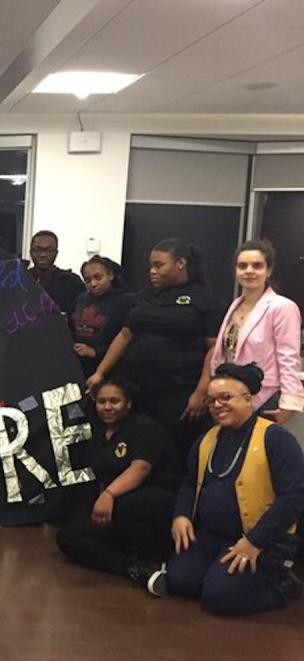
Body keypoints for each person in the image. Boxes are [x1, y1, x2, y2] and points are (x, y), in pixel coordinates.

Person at [163, 363, 304, 614]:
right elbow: (189, 482)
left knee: (219, 598)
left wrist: (254, 541)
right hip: (210, 536)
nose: (217, 405)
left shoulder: (276, 439)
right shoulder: (207, 438)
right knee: (180, 581)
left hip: (259, 540)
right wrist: (181, 515)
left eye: (225, 398)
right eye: (211, 401)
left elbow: (293, 498)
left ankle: (283, 586)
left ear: (248, 399)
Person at [87, 239, 225, 458]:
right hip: (137, 388)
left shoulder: (205, 299)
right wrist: (100, 373)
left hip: (178, 391)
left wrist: (201, 392)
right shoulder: (143, 296)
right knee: (134, 447)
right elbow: (124, 335)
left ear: (180, 263)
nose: (152, 271)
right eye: (151, 266)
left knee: (172, 449)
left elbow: (214, 349)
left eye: (159, 265)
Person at [56, 377, 182, 591]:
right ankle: (135, 569)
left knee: (128, 504)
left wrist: (108, 495)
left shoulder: (145, 428)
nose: (107, 407)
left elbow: (140, 468)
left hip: (154, 503)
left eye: (114, 401)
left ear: (128, 403)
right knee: (68, 537)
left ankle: (156, 556)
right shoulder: (99, 432)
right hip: (119, 507)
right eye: (102, 401)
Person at [210, 240, 303, 425]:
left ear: (268, 271)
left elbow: (289, 357)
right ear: (236, 271)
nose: (249, 271)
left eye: (257, 265)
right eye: (242, 266)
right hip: (230, 396)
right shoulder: (235, 306)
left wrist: (289, 404)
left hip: (264, 397)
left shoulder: (282, 307)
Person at [70, 255, 133, 378]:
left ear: (110, 275)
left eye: (98, 278)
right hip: (79, 366)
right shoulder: (81, 299)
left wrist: (95, 352)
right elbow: (71, 327)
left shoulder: (126, 300)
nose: (93, 284)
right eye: (87, 280)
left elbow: (128, 339)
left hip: (110, 369)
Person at [28, 230, 84, 315]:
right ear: (31, 252)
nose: (43, 254)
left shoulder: (72, 282)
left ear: (56, 253)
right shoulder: (22, 279)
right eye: (37, 250)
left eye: (49, 250)